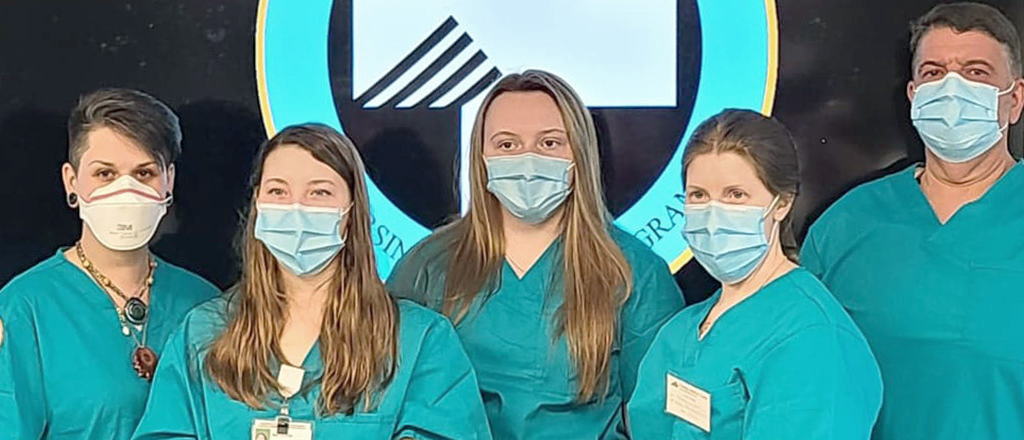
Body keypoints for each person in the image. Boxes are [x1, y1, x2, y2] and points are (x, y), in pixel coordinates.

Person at [801, 4, 1024, 439]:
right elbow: (804, 391)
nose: (951, 88)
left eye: (976, 72)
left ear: (1015, 98)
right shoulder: (845, 227)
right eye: (933, 72)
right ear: (913, 95)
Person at [133, 123, 491, 439]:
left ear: (352, 212)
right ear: (257, 204)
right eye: (278, 191)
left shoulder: (418, 341)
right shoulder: (204, 334)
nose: (296, 207)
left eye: (319, 192)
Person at [387, 70, 685, 439]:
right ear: (481, 157)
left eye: (549, 143)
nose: (527, 161)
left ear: (580, 153)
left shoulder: (634, 273)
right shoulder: (427, 267)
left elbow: (655, 420)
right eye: (507, 145)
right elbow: (387, 401)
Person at [0, 88, 220, 439]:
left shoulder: (204, 305)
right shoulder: (23, 313)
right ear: (71, 181)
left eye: (144, 173)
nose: (125, 190)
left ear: (169, 181)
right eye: (105, 174)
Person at [626, 109, 882, 438]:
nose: (713, 214)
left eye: (736, 195)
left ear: (782, 203)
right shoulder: (682, 332)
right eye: (699, 195)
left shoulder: (811, 336)